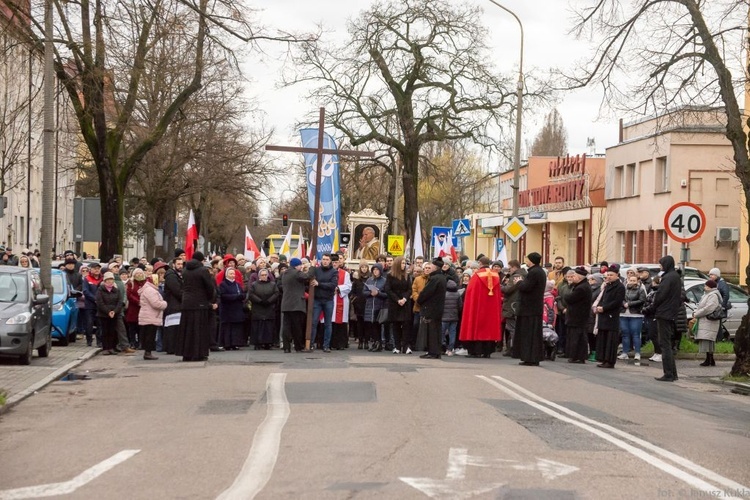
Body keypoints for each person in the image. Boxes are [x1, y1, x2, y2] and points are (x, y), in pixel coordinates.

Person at [459, 256, 503, 358]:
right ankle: (487, 352)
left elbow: (470, 293)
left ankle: (476, 351)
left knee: (477, 327)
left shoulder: (477, 276)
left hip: (478, 308)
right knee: (489, 327)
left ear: (480, 263)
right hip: (491, 309)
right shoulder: (496, 275)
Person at [179, 252, 217, 362]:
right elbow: (209, 287)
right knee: (199, 329)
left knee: (187, 329)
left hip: (187, 302)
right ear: (201, 260)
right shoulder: (203, 270)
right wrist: (209, 299)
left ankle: (186, 354)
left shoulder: (185, 269)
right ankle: (198, 353)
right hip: (200, 303)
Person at [512, 252, 546, 366]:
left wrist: (519, 282)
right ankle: (531, 357)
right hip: (534, 307)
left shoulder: (534, 272)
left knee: (529, 334)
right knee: (533, 334)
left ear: (531, 261)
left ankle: (530, 357)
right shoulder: (539, 271)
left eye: (527, 259)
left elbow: (526, 287)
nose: (526, 261)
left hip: (529, 308)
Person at [653, 255, 682, 381]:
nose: (660, 267)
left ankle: (668, 373)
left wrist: (653, 306)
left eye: (661, 264)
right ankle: (673, 373)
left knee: (664, 344)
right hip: (671, 313)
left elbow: (661, 295)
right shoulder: (675, 276)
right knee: (668, 344)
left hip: (664, 313)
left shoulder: (667, 278)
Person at [594, 264, 626, 368]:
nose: (609, 277)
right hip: (604, 315)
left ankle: (609, 360)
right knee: (603, 337)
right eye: (608, 275)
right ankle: (603, 358)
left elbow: (617, 302)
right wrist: (599, 306)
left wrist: (604, 308)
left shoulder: (620, 287)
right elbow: (603, 298)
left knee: (610, 339)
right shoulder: (607, 285)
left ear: (617, 275)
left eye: (611, 275)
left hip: (612, 316)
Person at [280, 258, 314, 353]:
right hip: (296, 305)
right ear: (296, 265)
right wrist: (312, 266)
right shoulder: (296, 273)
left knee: (286, 327)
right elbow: (308, 275)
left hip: (286, 304)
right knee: (297, 327)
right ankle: (298, 346)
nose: (301, 267)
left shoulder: (285, 273)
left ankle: (287, 347)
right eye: (300, 265)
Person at [417, 258, 447, 359]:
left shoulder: (435, 279)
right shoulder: (442, 277)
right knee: (437, 330)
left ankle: (433, 352)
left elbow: (426, 292)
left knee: (432, 331)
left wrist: (419, 300)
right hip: (438, 307)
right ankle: (436, 351)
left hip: (431, 308)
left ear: (435, 267)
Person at [310, 253, 338, 353]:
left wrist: (319, 284)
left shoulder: (334, 272)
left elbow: (332, 285)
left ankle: (326, 345)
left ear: (330, 261)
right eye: (323, 259)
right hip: (317, 299)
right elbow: (311, 277)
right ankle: (311, 344)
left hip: (328, 300)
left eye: (327, 259)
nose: (325, 261)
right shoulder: (317, 270)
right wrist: (312, 266)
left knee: (328, 324)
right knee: (313, 322)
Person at [384, 256, 413, 354]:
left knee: (406, 326)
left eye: (405, 263)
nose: (404, 265)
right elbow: (388, 289)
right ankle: (397, 346)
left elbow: (409, 289)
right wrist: (397, 300)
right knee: (395, 325)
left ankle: (405, 346)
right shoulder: (390, 275)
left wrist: (404, 299)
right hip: (394, 303)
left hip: (405, 303)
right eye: (402, 263)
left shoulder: (407, 275)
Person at [564, 267, 593, 363]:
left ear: (579, 277)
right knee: (578, 337)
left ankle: (576, 356)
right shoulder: (580, 286)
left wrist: (566, 295)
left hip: (578, 316)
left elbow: (570, 298)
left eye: (574, 276)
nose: (572, 278)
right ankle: (578, 356)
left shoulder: (581, 288)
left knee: (577, 337)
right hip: (578, 316)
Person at [691, 279, 722, 367]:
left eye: (705, 286)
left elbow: (709, 308)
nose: (704, 287)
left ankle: (709, 359)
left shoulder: (713, 295)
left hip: (709, 321)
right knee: (707, 340)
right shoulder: (707, 294)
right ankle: (710, 359)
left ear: (709, 287)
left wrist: (697, 314)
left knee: (707, 340)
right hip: (706, 321)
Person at [247, 268, 279, 350]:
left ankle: (268, 343)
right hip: (258, 308)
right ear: (259, 276)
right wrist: (259, 301)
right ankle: (257, 343)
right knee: (258, 326)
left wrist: (269, 301)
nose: (264, 276)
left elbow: (276, 293)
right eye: (262, 275)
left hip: (269, 308)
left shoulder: (272, 284)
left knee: (268, 326)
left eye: (265, 275)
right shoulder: (254, 284)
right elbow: (251, 294)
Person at [138, 274, 167, 360]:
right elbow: (156, 303)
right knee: (150, 335)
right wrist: (164, 303)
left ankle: (148, 352)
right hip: (150, 316)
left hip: (148, 316)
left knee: (149, 335)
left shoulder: (149, 289)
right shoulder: (150, 290)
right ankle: (148, 352)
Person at [619, 273, 647, 362]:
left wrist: (630, 304)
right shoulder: (624, 289)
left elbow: (642, 300)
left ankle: (637, 353)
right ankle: (625, 352)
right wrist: (623, 304)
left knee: (635, 334)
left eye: (634, 280)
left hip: (636, 314)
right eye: (630, 280)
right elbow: (620, 298)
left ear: (637, 281)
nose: (632, 282)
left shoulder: (641, 290)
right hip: (623, 314)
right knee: (625, 334)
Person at [501, 259, 525, 356]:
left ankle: (514, 348)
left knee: (512, 328)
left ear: (514, 267)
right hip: (518, 304)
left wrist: (500, 286)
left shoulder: (515, 277)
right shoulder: (524, 274)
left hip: (512, 305)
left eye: (510, 268)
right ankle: (512, 348)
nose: (509, 270)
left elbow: (508, 289)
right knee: (514, 328)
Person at [95, 272, 123, 355]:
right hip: (103, 314)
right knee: (105, 331)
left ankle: (111, 347)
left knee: (112, 331)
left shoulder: (116, 290)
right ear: (105, 280)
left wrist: (114, 311)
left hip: (114, 313)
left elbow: (119, 302)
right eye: (108, 280)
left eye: (111, 279)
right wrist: (108, 311)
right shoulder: (100, 290)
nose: (110, 281)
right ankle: (105, 348)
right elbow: (100, 302)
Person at [219, 268, 246, 350]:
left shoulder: (237, 284)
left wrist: (241, 296)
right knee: (228, 327)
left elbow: (242, 294)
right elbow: (223, 296)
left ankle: (235, 343)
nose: (232, 275)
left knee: (236, 327)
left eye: (233, 274)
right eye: (230, 274)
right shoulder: (223, 284)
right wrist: (236, 296)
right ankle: (227, 344)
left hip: (237, 308)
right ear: (226, 275)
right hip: (227, 309)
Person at [330, 254, 352, 350]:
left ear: (339, 263)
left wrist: (338, 288)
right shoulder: (327, 272)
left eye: (336, 262)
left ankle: (341, 343)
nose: (334, 264)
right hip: (330, 299)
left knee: (340, 322)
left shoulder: (345, 273)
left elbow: (348, 286)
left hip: (340, 299)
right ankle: (330, 343)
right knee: (330, 322)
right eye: (333, 262)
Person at [363, 263, 387, 352]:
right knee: (371, 325)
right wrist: (370, 293)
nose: (375, 271)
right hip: (370, 305)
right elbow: (364, 292)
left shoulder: (384, 281)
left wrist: (378, 293)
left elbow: (386, 294)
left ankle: (379, 343)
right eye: (374, 270)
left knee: (377, 325)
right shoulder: (369, 280)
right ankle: (374, 342)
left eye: (377, 270)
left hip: (379, 306)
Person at [163, 257, 184, 355]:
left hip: (177, 305)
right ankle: (171, 347)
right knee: (172, 328)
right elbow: (176, 290)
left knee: (177, 328)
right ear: (173, 264)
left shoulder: (179, 275)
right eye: (178, 264)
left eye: (181, 264)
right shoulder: (171, 275)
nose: (180, 266)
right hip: (173, 305)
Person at [83, 262, 103, 347]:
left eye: (98, 268)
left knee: (100, 324)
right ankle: (89, 340)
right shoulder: (87, 279)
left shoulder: (102, 279)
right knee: (89, 323)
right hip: (89, 305)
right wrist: (95, 299)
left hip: (100, 306)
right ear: (91, 269)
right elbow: (85, 291)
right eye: (95, 268)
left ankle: (99, 341)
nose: (97, 270)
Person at [351, 260, 370, 349]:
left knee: (367, 323)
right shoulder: (357, 280)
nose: (364, 269)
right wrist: (354, 300)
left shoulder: (370, 279)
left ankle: (366, 341)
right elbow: (353, 292)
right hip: (359, 304)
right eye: (362, 267)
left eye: (365, 267)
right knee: (359, 323)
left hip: (368, 303)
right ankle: (360, 340)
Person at [707, 267, 731, 341]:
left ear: (717, 275)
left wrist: (722, 306)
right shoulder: (716, 283)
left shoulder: (722, 284)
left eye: (712, 275)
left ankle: (719, 339)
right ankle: (717, 339)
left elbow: (726, 295)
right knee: (716, 325)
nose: (710, 276)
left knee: (718, 325)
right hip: (715, 307)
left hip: (719, 308)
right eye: (709, 275)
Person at [125, 268, 146, 349]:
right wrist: (138, 301)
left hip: (143, 308)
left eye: (140, 273)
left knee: (141, 327)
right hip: (133, 308)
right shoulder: (131, 283)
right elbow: (129, 295)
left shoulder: (145, 282)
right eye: (137, 273)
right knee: (132, 327)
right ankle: (133, 342)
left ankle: (141, 342)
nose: (139, 275)